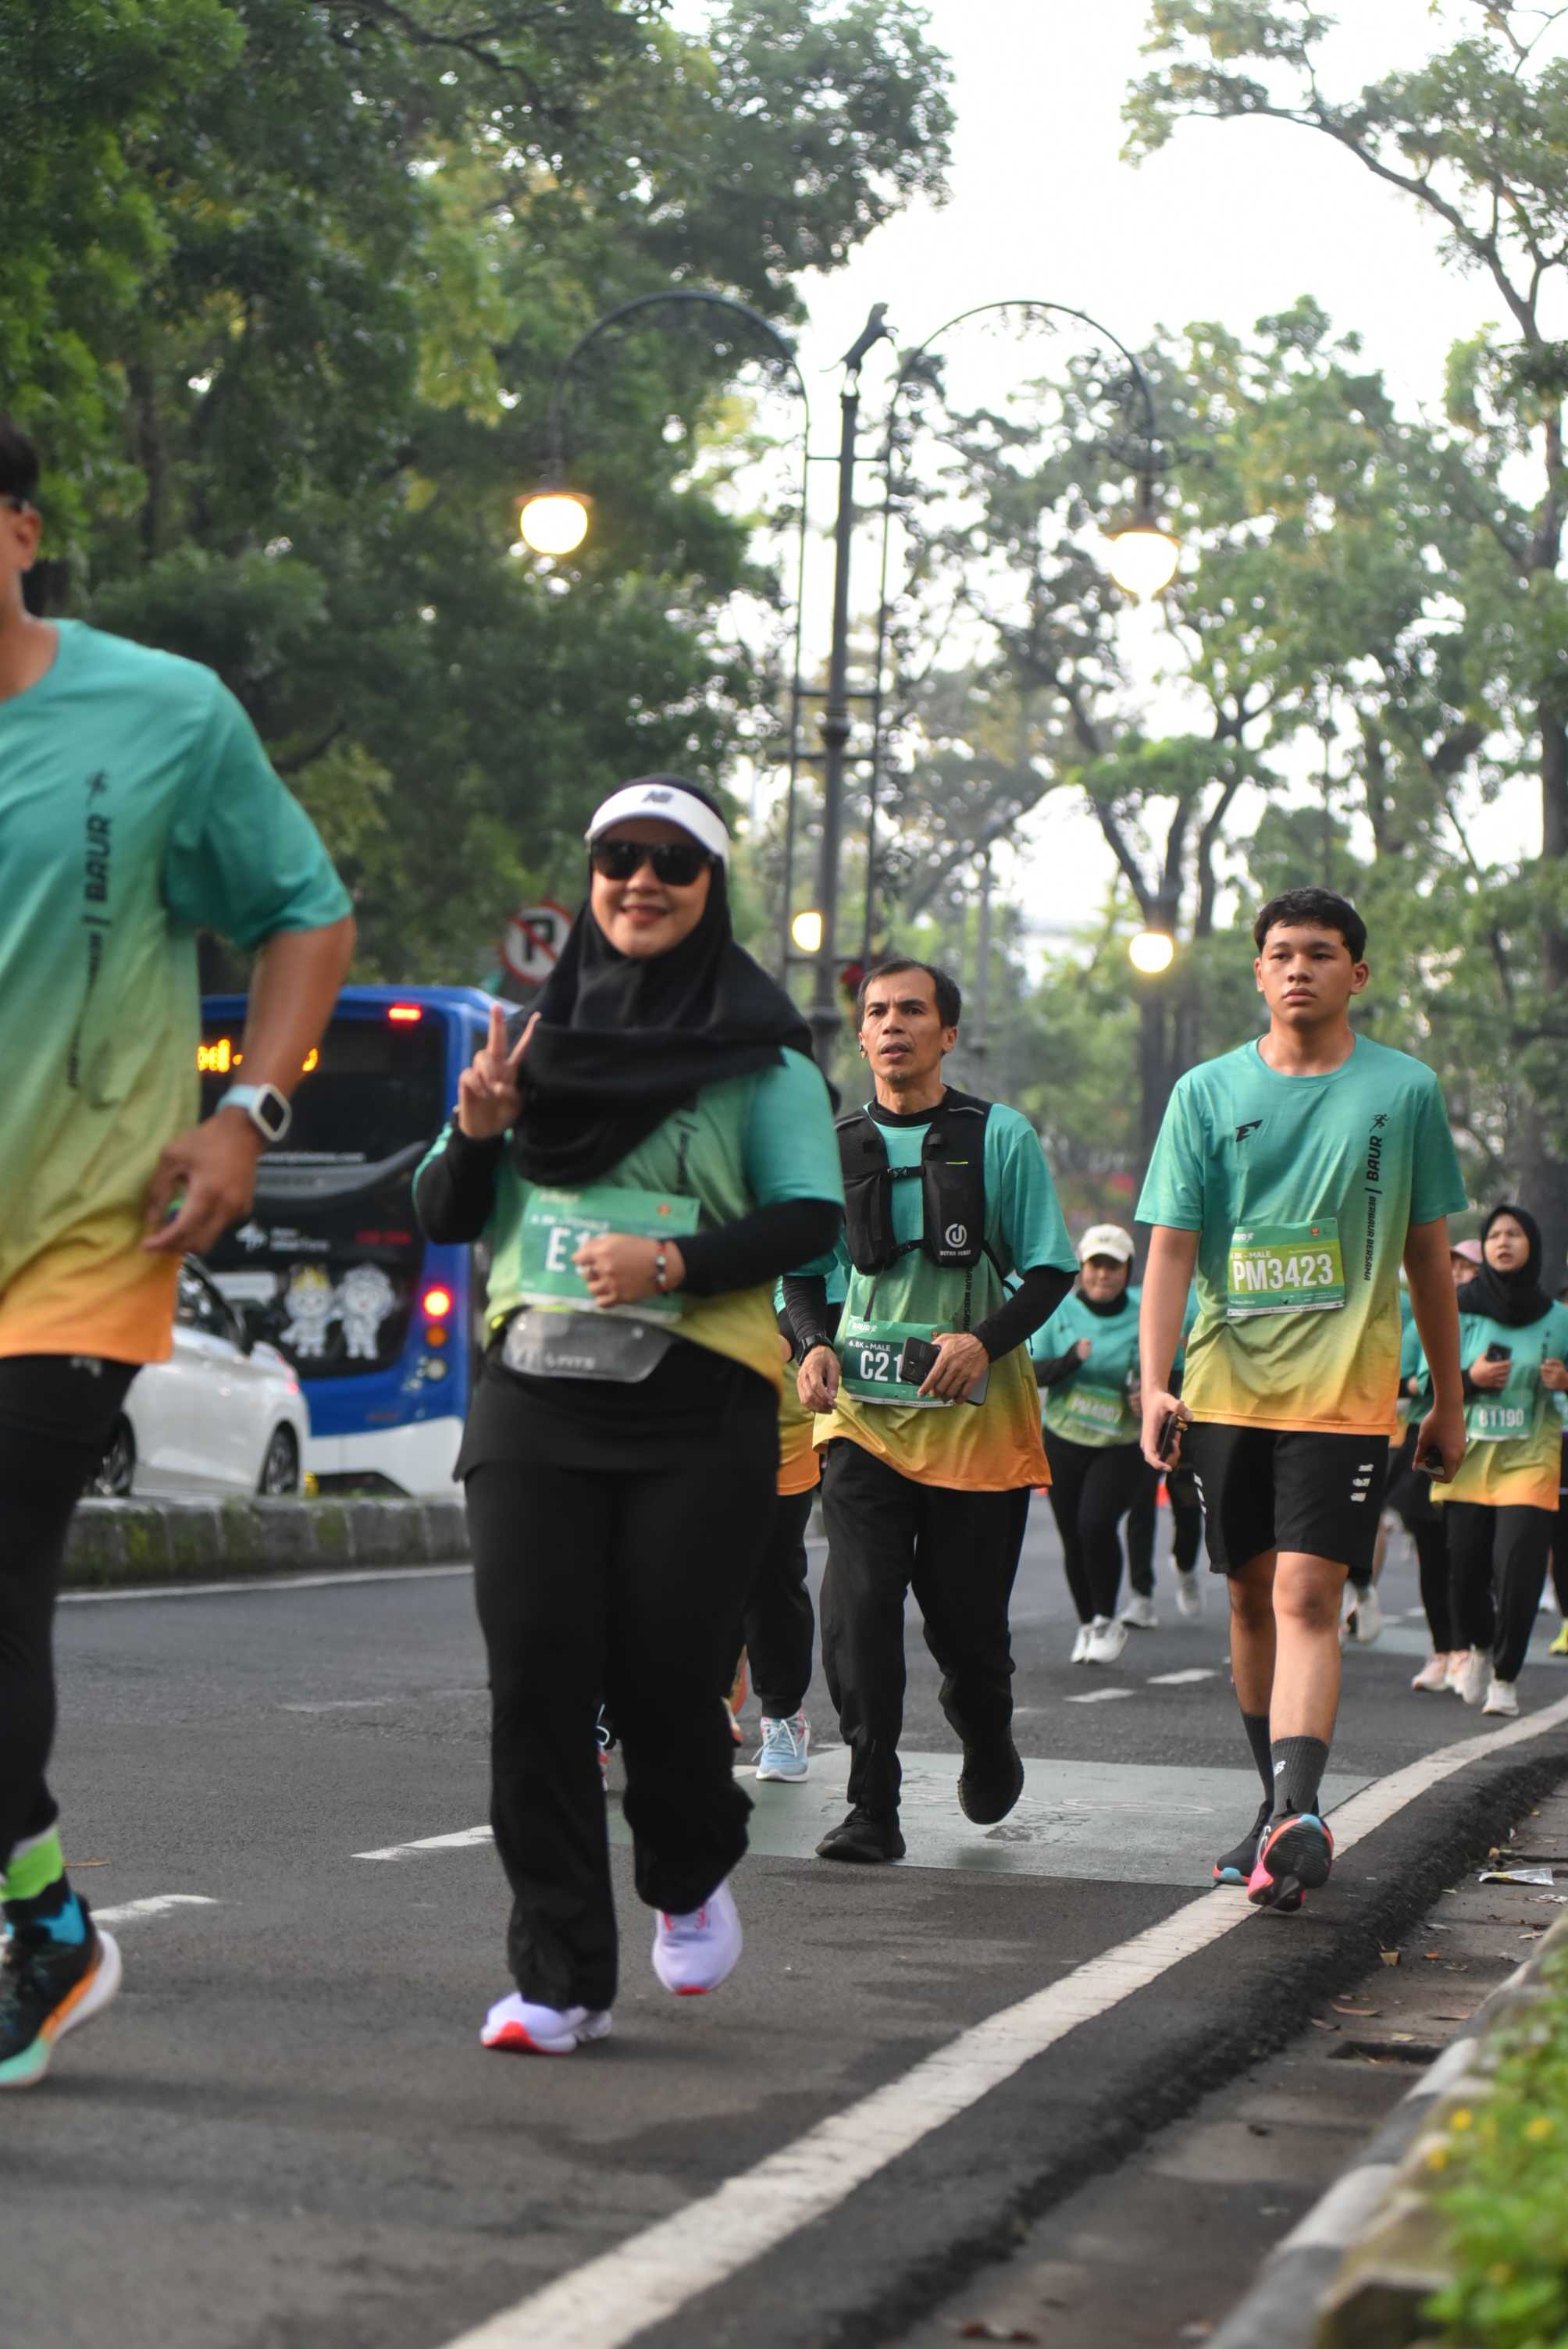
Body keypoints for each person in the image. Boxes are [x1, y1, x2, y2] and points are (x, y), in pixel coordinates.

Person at [0, 415, 355, 2089]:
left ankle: (39, 1928)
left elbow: (303, 909)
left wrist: (248, 1114)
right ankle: (42, 1910)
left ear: (20, 528)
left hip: (79, 1234)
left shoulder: (157, 712)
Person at [415, 776, 841, 2054]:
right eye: (617, 859)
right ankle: (558, 1978)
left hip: (696, 1407)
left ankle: (688, 1865)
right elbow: (443, 1210)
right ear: (591, 879)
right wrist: (477, 1132)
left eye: (671, 861)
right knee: (537, 1680)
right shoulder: (529, 1045)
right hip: (532, 1396)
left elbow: (808, 1217)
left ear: (712, 888)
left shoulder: (763, 1056)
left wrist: (675, 1263)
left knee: (666, 1679)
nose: (641, 881)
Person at [1138, 886, 1466, 1912]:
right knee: (1247, 1597)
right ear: (1258, 970)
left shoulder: (1405, 1090)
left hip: (1345, 1395)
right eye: (1281, 952)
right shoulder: (1203, 1092)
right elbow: (1171, 1250)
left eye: (1320, 953)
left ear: (1355, 974)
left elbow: (1425, 1257)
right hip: (1226, 1389)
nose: (1298, 968)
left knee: (1306, 1598)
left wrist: (1447, 1397)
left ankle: (1297, 1808)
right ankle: (1275, 1810)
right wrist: (1155, 1383)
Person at [783, 959, 1076, 1864]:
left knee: (966, 1630)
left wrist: (982, 1342)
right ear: (860, 1034)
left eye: (912, 1009)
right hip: (864, 1421)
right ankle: (871, 1804)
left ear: (947, 1033)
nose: (892, 1024)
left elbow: (1050, 1269)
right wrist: (813, 1344)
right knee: (858, 1607)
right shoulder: (830, 1147)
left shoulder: (999, 1136)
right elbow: (801, 1274)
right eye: (876, 1011)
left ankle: (985, 1729)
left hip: (975, 1429)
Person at [1424, 1205, 1568, 1716]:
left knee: (1519, 1571)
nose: (1504, 1242)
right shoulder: (1456, 1309)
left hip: (1531, 1461)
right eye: (1495, 1235)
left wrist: (1565, 1381)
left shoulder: (1558, 1318)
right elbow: (1426, 1384)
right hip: (1465, 1459)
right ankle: (1481, 1648)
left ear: (1533, 1245)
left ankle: (1506, 1678)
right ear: (1483, 1248)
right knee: (1464, 1571)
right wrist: (1472, 1378)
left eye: (1515, 1234)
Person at [1032, 1225, 1155, 1663]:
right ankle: (1087, 1624)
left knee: (1095, 1525)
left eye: (1113, 1266)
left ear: (1128, 1270)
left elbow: (1174, 1368)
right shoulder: (1059, 1311)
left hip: (1120, 1443)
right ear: (1082, 1269)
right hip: (1064, 1439)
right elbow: (1032, 1371)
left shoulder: (1145, 1313)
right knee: (1072, 1536)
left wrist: (1151, 1393)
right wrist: (1071, 1360)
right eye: (1095, 1265)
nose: (1103, 1274)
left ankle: (1106, 1619)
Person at [1124, 1282, 1204, 1626]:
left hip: (1192, 1404)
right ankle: (1141, 1597)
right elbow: (1126, 1355)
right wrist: (1132, 1391)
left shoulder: (1209, 1289)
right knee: (1140, 1505)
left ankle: (1186, 1567)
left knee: (1187, 1505)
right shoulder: (1139, 1296)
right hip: (1152, 1403)